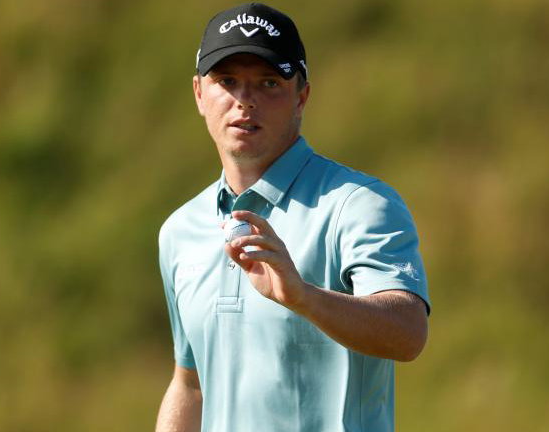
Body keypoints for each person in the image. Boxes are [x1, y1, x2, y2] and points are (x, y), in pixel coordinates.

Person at [155, 3, 430, 431]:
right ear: (198, 94)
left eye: (268, 83)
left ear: (301, 97)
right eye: (227, 81)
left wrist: (304, 297)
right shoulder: (180, 230)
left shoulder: (358, 205)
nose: (245, 100)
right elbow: (191, 385)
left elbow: (408, 333)